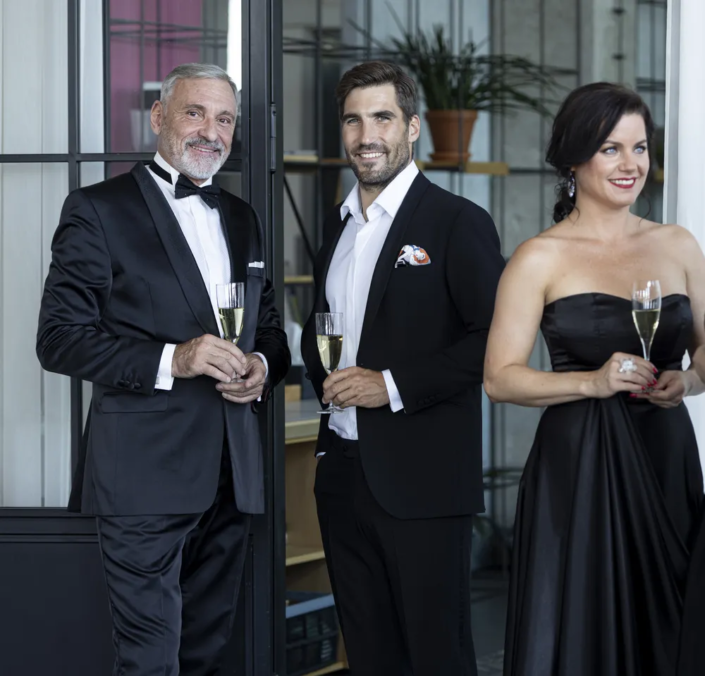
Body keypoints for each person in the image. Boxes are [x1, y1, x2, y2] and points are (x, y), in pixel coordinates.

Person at [36, 63, 290, 676]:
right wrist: (174, 359)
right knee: (150, 659)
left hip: (233, 474)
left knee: (204, 653)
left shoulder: (242, 217)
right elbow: (58, 341)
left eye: (224, 119)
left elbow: (270, 330)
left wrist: (262, 365)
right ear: (159, 117)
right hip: (143, 477)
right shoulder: (97, 209)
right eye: (194, 112)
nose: (211, 131)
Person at [483, 82, 705, 676]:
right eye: (611, 149)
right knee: (585, 630)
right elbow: (500, 379)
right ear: (574, 159)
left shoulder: (678, 244)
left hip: (666, 456)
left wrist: (689, 382)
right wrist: (592, 382)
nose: (631, 164)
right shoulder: (538, 257)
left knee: (675, 628)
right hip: (578, 467)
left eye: (640, 148)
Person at [300, 61, 505, 676]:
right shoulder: (337, 226)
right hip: (342, 475)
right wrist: (323, 374)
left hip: (424, 483)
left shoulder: (457, 221)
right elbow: (321, 331)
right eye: (353, 120)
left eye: (383, 118)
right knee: (369, 657)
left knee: (436, 658)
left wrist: (387, 386)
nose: (367, 136)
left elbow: (493, 341)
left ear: (412, 127)